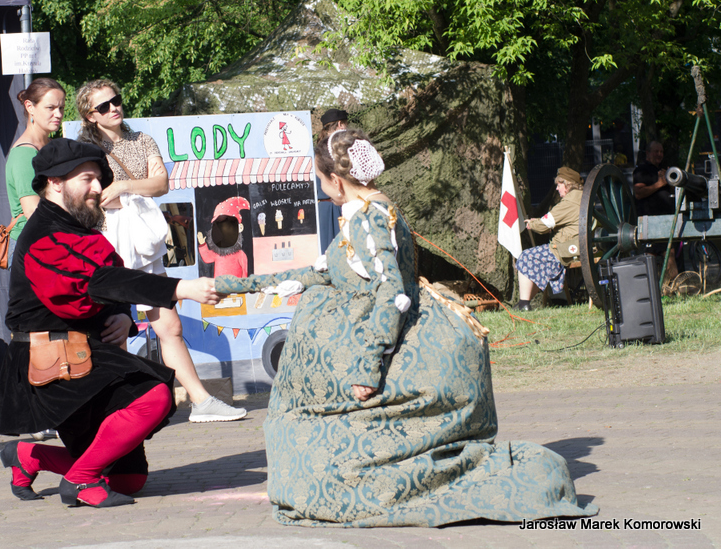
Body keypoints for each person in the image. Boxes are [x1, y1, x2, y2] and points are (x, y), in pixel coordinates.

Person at [215, 129, 597, 526]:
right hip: (391, 323)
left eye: (321, 179)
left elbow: (390, 291)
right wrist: (234, 286)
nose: (321, 187)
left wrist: (367, 366)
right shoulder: (371, 207)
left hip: (389, 335)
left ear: (337, 180)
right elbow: (320, 272)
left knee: (323, 437)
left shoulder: (368, 219)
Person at [0, 139, 221, 507]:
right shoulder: (44, 236)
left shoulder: (77, 228)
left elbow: (110, 282)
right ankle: (80, 481)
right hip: (53, 363)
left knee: (129, 480)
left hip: (86, 355)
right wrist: (180, 288)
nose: (98, 188)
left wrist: (122, 315)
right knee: (154, 395)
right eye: (87, 179)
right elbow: (97, 281)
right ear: (55, 182)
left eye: (99, 179)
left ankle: (30, 457)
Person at [75, 79, 245, 422]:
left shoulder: (142, 140)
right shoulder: (84, 149)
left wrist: (124, 186)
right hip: (108, 243)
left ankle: (201, 401)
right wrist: (131, 190)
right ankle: (115, 409)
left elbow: (161, 183)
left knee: (169, 326)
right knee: (114, 330)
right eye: (104, 106)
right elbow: (94, 196)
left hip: (145, 245)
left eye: (116, 100)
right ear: (90, 115)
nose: (114, 108)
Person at [5, 78, 65, 265]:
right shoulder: (24, 154)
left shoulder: (52, 146)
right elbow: (33, 210)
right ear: (30, 107)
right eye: (50, 108)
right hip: (33, 246)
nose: (58, 114)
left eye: (61, 108)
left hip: (53, 240)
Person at [513, 166, 583, 311]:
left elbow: (544, 225)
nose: (557, 188)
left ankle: (524, 304)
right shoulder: (583, 198)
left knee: (525, 256)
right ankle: (523, 302)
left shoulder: (568, 203)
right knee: (537, 260)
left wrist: (532, 224)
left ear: (567, 184)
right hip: (577, 245)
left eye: (559, 184)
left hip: (565, 250)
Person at [633, 140, 678, 282]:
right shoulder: (641, 170)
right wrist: (660, 183)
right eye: (656, 151)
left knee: (667, 252)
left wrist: (670, 181)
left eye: (661, 152)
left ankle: (669, 286)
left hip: (666, 220)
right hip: (651, 221)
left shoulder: (663, 170)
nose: (659, 154)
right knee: (658, 254)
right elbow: (638, 193)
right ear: (648, 153)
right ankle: (654, 286)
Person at [315, 108, 348, 251]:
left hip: (322, 209)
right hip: (335, 207)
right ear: (340, 124)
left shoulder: (316, 149)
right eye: (346, 124)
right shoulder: (338, 149)